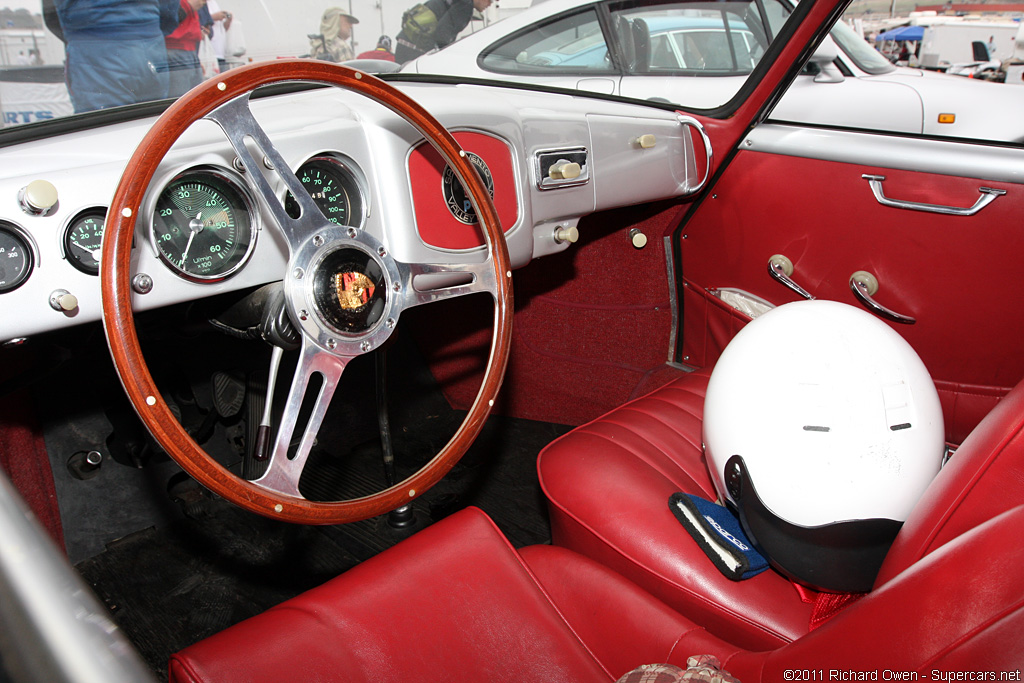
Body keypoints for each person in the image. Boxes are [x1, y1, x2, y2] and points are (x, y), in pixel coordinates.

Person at [42, 0, 182, 113]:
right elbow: (169, 12)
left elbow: (52, 16)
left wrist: (82, 38)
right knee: (152, 125)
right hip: (150, 49)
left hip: (97, 53)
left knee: (103, 128)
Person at [394, 0, 492, 64]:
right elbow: (442, 36)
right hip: (415, 54)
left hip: (405, 46)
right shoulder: (465, 5)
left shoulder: (453, 2)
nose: (490, 4)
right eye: (490, 0)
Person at [164, 0, 208, 97]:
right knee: (181, 100)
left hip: (189, 53)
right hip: (176, 51)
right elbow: (166, 19)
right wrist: (188, 6)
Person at [205, 0, 233, 74]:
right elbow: (200, 22)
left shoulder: (214, 3)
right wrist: (214, 17)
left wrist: (228, 20)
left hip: (221, 54)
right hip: (210, 55)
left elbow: (222, 29)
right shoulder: (200, 4)